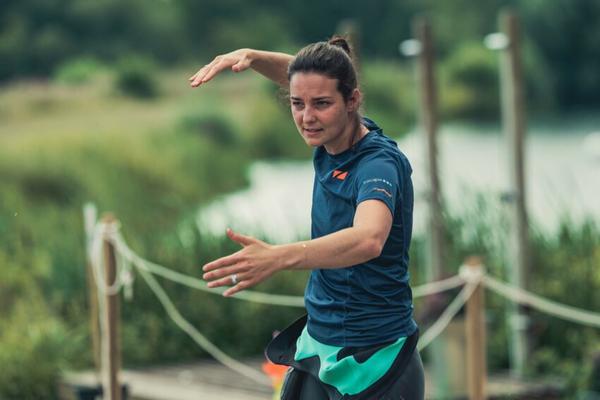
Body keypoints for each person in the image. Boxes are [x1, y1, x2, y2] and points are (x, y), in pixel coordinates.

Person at [190, 36, 424, 400]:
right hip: (318, 345)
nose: (307, 117)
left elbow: (369, 238)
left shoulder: (378, 163)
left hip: (375, 358)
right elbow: (303, 76)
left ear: (353, 101)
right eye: (297, 104)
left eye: (321, 104)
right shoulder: (330, 134)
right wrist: (252, 57)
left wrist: (278, 256)